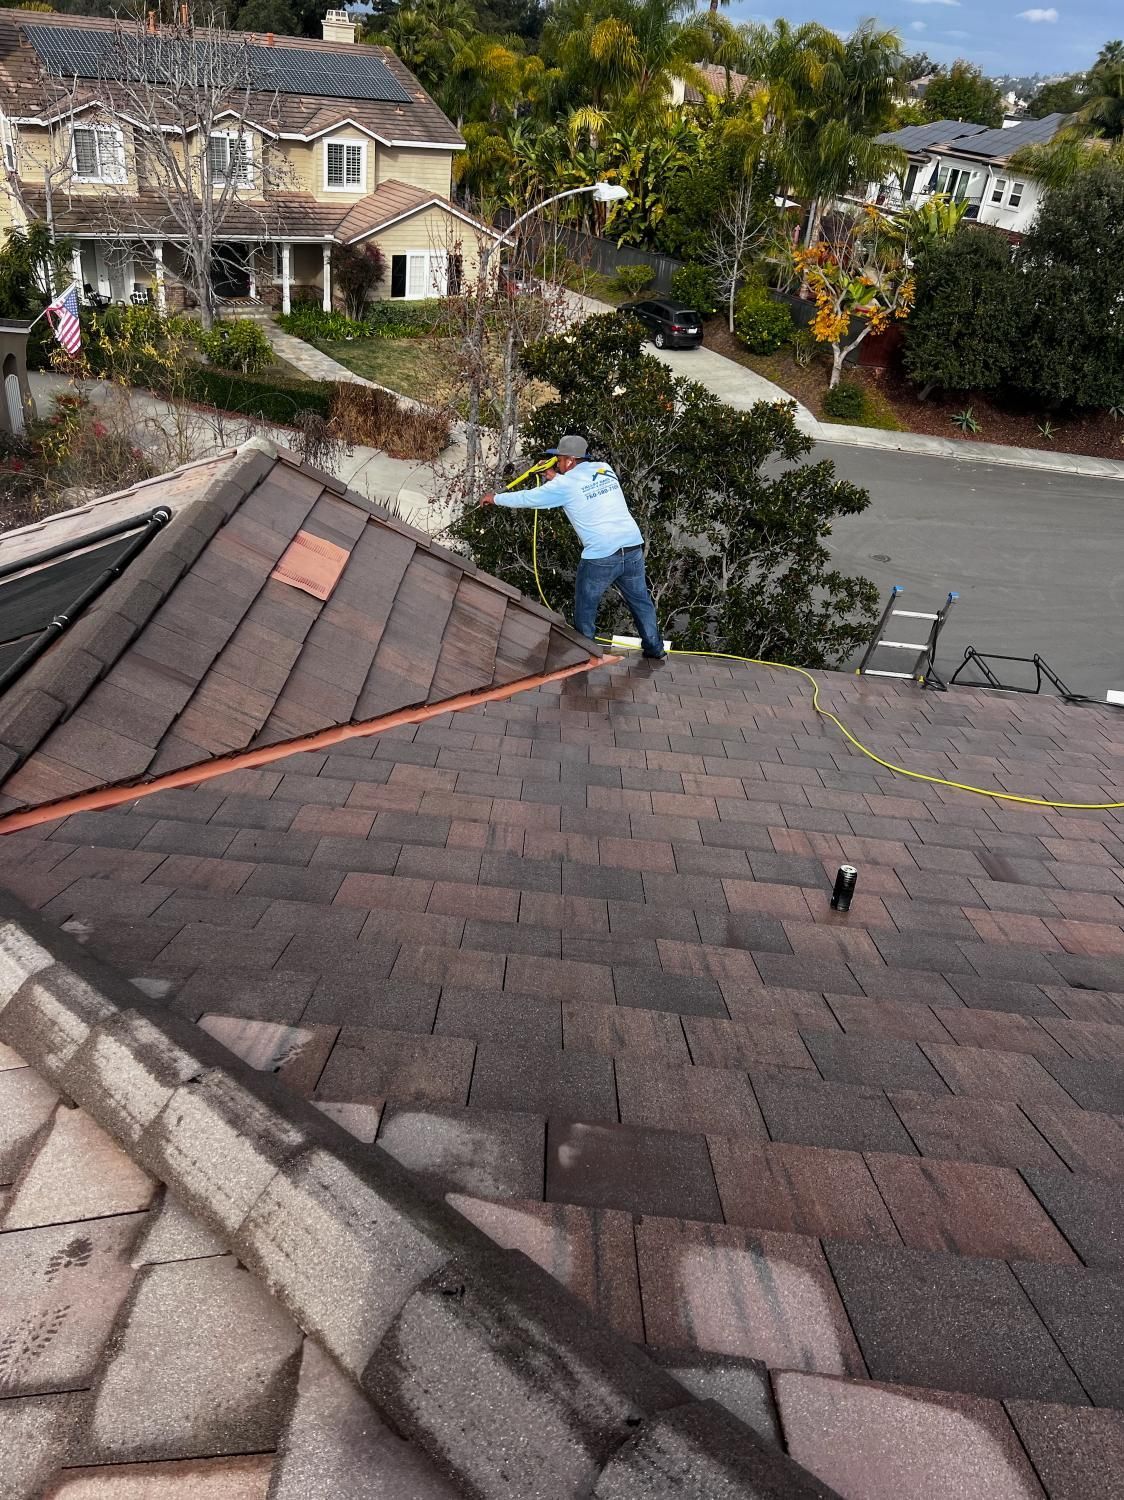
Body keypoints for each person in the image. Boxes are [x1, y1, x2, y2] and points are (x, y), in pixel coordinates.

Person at [479, 435, 666, 661]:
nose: (556, 462)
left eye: (558, 459)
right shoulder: (604, 468)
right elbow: (583, 485)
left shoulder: (563, 484)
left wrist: (495, 498)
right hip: (632, 546)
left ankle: (586, 654)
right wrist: (554, 477)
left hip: (602, 555)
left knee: (586, 605)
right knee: (641, 601)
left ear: (569, 461)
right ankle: (655, 649)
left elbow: (529, 498)